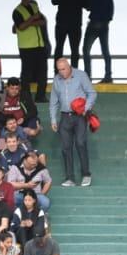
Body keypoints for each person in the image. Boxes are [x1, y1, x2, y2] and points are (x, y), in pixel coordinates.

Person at [49, 57, 97, 187]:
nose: (61, 72)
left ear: (69, 67)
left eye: (63, 69)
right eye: (59, 70)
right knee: (65, 147)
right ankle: (70, 178)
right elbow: (53, 101)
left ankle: (86, 174)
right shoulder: (56, 79)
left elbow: (92, 93)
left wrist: (86, 109)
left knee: (81, 143)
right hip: (65, 116)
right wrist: (53, 119)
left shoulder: (81, 75)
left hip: (80, 116)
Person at [13, 0, 50, 102]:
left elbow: (42, 22)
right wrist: (32, 19)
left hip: (39, 45)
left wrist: (30, 22)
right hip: (26, 47)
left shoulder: (34, 6)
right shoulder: (17, 11)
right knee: (26, 74)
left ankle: (41, 96)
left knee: (43, 72)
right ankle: (26, 97)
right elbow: (20, 27)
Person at [50, 0, 88, 68]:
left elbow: (54, 1)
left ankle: (57, 72)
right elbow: (87, 4)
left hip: (61, 21)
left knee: (59, 48)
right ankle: (74, 71)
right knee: (75, 49)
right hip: (75, 22)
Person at [81, 0, 114, 82]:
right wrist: (107, 20)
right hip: (105, 24)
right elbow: (111, 8)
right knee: (105, 50)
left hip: (94, 22)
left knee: (86, 50)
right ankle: (108, 75)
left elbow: (88, 6)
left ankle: (87, 76)